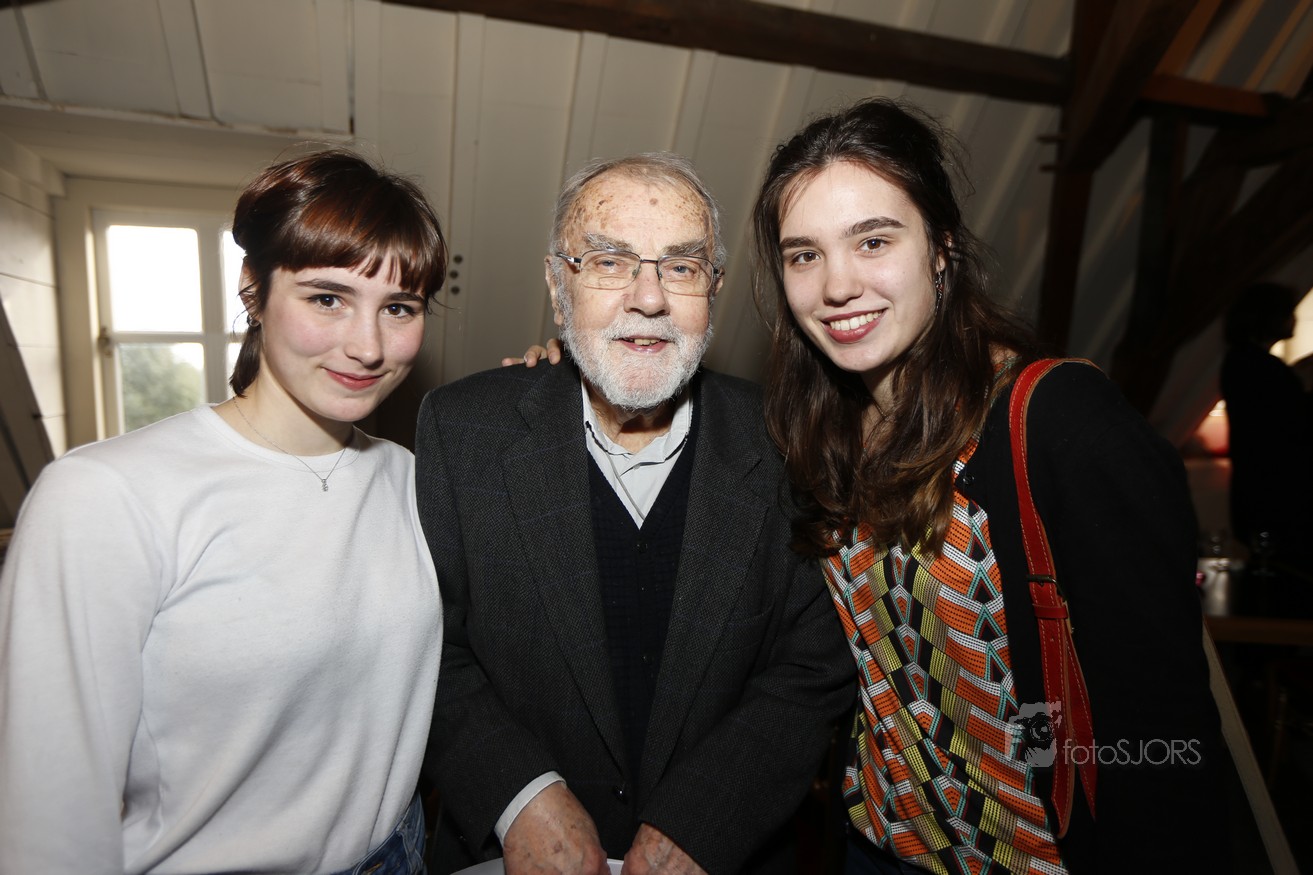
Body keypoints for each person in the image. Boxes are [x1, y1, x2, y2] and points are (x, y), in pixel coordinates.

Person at [749, 98, 1230, 874]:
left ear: (940, 247)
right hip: (877, 846)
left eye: (873, 240)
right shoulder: (818, 432)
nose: (836, 285)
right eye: (803, 254)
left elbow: (1163, 732)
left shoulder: (1061, 424)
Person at [0, 149, 447, 874]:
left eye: (398, 308)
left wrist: (555, 393)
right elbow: (48, 824)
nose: (367, 347)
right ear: (252, 290)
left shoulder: (417, 483)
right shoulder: (104, 496)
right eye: (326, 298)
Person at [417, 153, 853, 875]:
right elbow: (430, 648)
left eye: (681, 266)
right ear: (557, 285)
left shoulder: (793, 445)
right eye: (609, 262)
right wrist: (518, 797)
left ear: (713, 288)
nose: (648, 298)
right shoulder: (462, 431)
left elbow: (811, 669)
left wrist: (701, 821)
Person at [1220, 281, 1313, 612]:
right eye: (1288, 313)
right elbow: (1291, 427)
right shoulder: (1258, 367)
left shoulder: (1245, 362)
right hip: (1277, 494)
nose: (1294, 320)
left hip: (1262, 489)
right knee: (1283, 587)